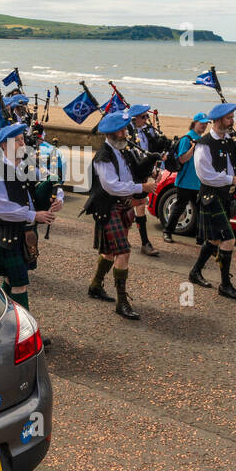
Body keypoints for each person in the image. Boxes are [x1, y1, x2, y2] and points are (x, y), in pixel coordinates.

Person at [82, 110, 155, 320]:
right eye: (122, 130)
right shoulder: (103, 157)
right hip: (108, 208)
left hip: (123, 207)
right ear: (112, 133)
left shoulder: (122, 151)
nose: (126, 133)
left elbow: (132, 174)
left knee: (110, 253)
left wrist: (150, 164)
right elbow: (112, 186)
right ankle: (122, 303)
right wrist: (142, 186)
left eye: (125, 129)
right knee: (123, 252)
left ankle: (95, 286)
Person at [0, 123, 60, 309]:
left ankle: (2, 318)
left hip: (25, 233)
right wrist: (34, 215)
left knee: (12, 280)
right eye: (17, 141)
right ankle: (25, 330)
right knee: (20, 284)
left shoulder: (27, 164)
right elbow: (0, 206)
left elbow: (53, 179)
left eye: (22, 140)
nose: (22, 144)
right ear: (3, 146)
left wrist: (59, 198)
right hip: (7, 233)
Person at [190, 102, 236, 299]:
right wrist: (232, 179)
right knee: (228, 240)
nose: (232, 121)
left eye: (232, 118)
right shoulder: (204, 144)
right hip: (211, 196)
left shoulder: (229, 140)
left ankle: (195, 272)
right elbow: (205, 175)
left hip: (226, 195)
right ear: (217, 121)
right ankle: (225, 285)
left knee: (215, 239)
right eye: (229, 118)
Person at [127, 103, 167, 257]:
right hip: (130, 174)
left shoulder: (146, 132)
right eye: (143, 117)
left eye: (147, 116)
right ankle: (126, 237)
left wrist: (154, 170)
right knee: (129, 206)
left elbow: (149, 154)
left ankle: (144, 243)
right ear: (135, 118)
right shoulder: (128, 132)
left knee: (140, 206)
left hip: (142, 172)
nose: (146, 119)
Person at [163, 113, 208, 243]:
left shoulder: (200, 138)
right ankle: (167, 232)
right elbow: (182, 159)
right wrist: (194, 147)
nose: (204, 126)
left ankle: (201, 238)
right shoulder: (187, 139)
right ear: (194, 123)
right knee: (179, 208)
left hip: (198, 182)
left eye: (205, 124)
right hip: (185, 181)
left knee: (201, 210)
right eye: (202, 124)